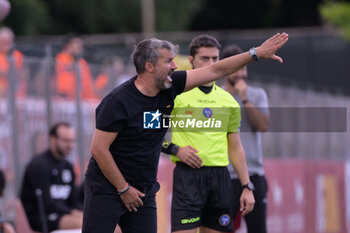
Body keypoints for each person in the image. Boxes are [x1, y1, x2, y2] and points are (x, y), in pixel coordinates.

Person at [82, 33, 288, 233]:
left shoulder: (172, 86)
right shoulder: (117, 102)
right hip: (108, 188)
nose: (174, 66)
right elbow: (99, 150)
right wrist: (124, 188)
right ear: (149, 66)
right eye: (169, 61)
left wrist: (255, 53)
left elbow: (217, 70)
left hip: (144, 191)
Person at [160, 35, 254, 233]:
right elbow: (147, 131)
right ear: (192, 61)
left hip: (220, 179)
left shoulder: (229, 101)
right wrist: (177, 150)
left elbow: (235, 147)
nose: (211, 63)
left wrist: (247, 186)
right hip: (188, 178)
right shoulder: (176, 95)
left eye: (215, 58)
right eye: (205, 58)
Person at [221, 45, 269, 233]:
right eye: (236, 68)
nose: (240, 73)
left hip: (254, 175)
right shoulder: (217, 97)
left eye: (243, 68)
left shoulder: (257, 95)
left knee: (258, 229)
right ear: (226, 69)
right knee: (223, 228)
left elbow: (263, 126)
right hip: (225, 175)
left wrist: (245, 99)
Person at [20, 122, 83, 232]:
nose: (70, 145)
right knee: (85, 223)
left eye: (72, 141)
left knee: (95, 220)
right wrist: (73, 213)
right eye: (66, 141)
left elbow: (73, 201)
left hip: (63, 215)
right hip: (41, 218)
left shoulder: (68, 166)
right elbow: (46, 203)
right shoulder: (38, 165)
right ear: (53, 139)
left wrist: (83, 212)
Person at [54, 34, 97, 100]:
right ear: (68, 45)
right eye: (76, 43)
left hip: (85, 99)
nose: (80, 45)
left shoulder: (81, 62)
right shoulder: (60, 59)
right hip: (66, 99)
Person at [0, 27, 25, 97]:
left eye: (8, 41)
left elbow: (21, 73)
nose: (6, 45)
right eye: (4, 42)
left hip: (16, 93)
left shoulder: (18, 55)